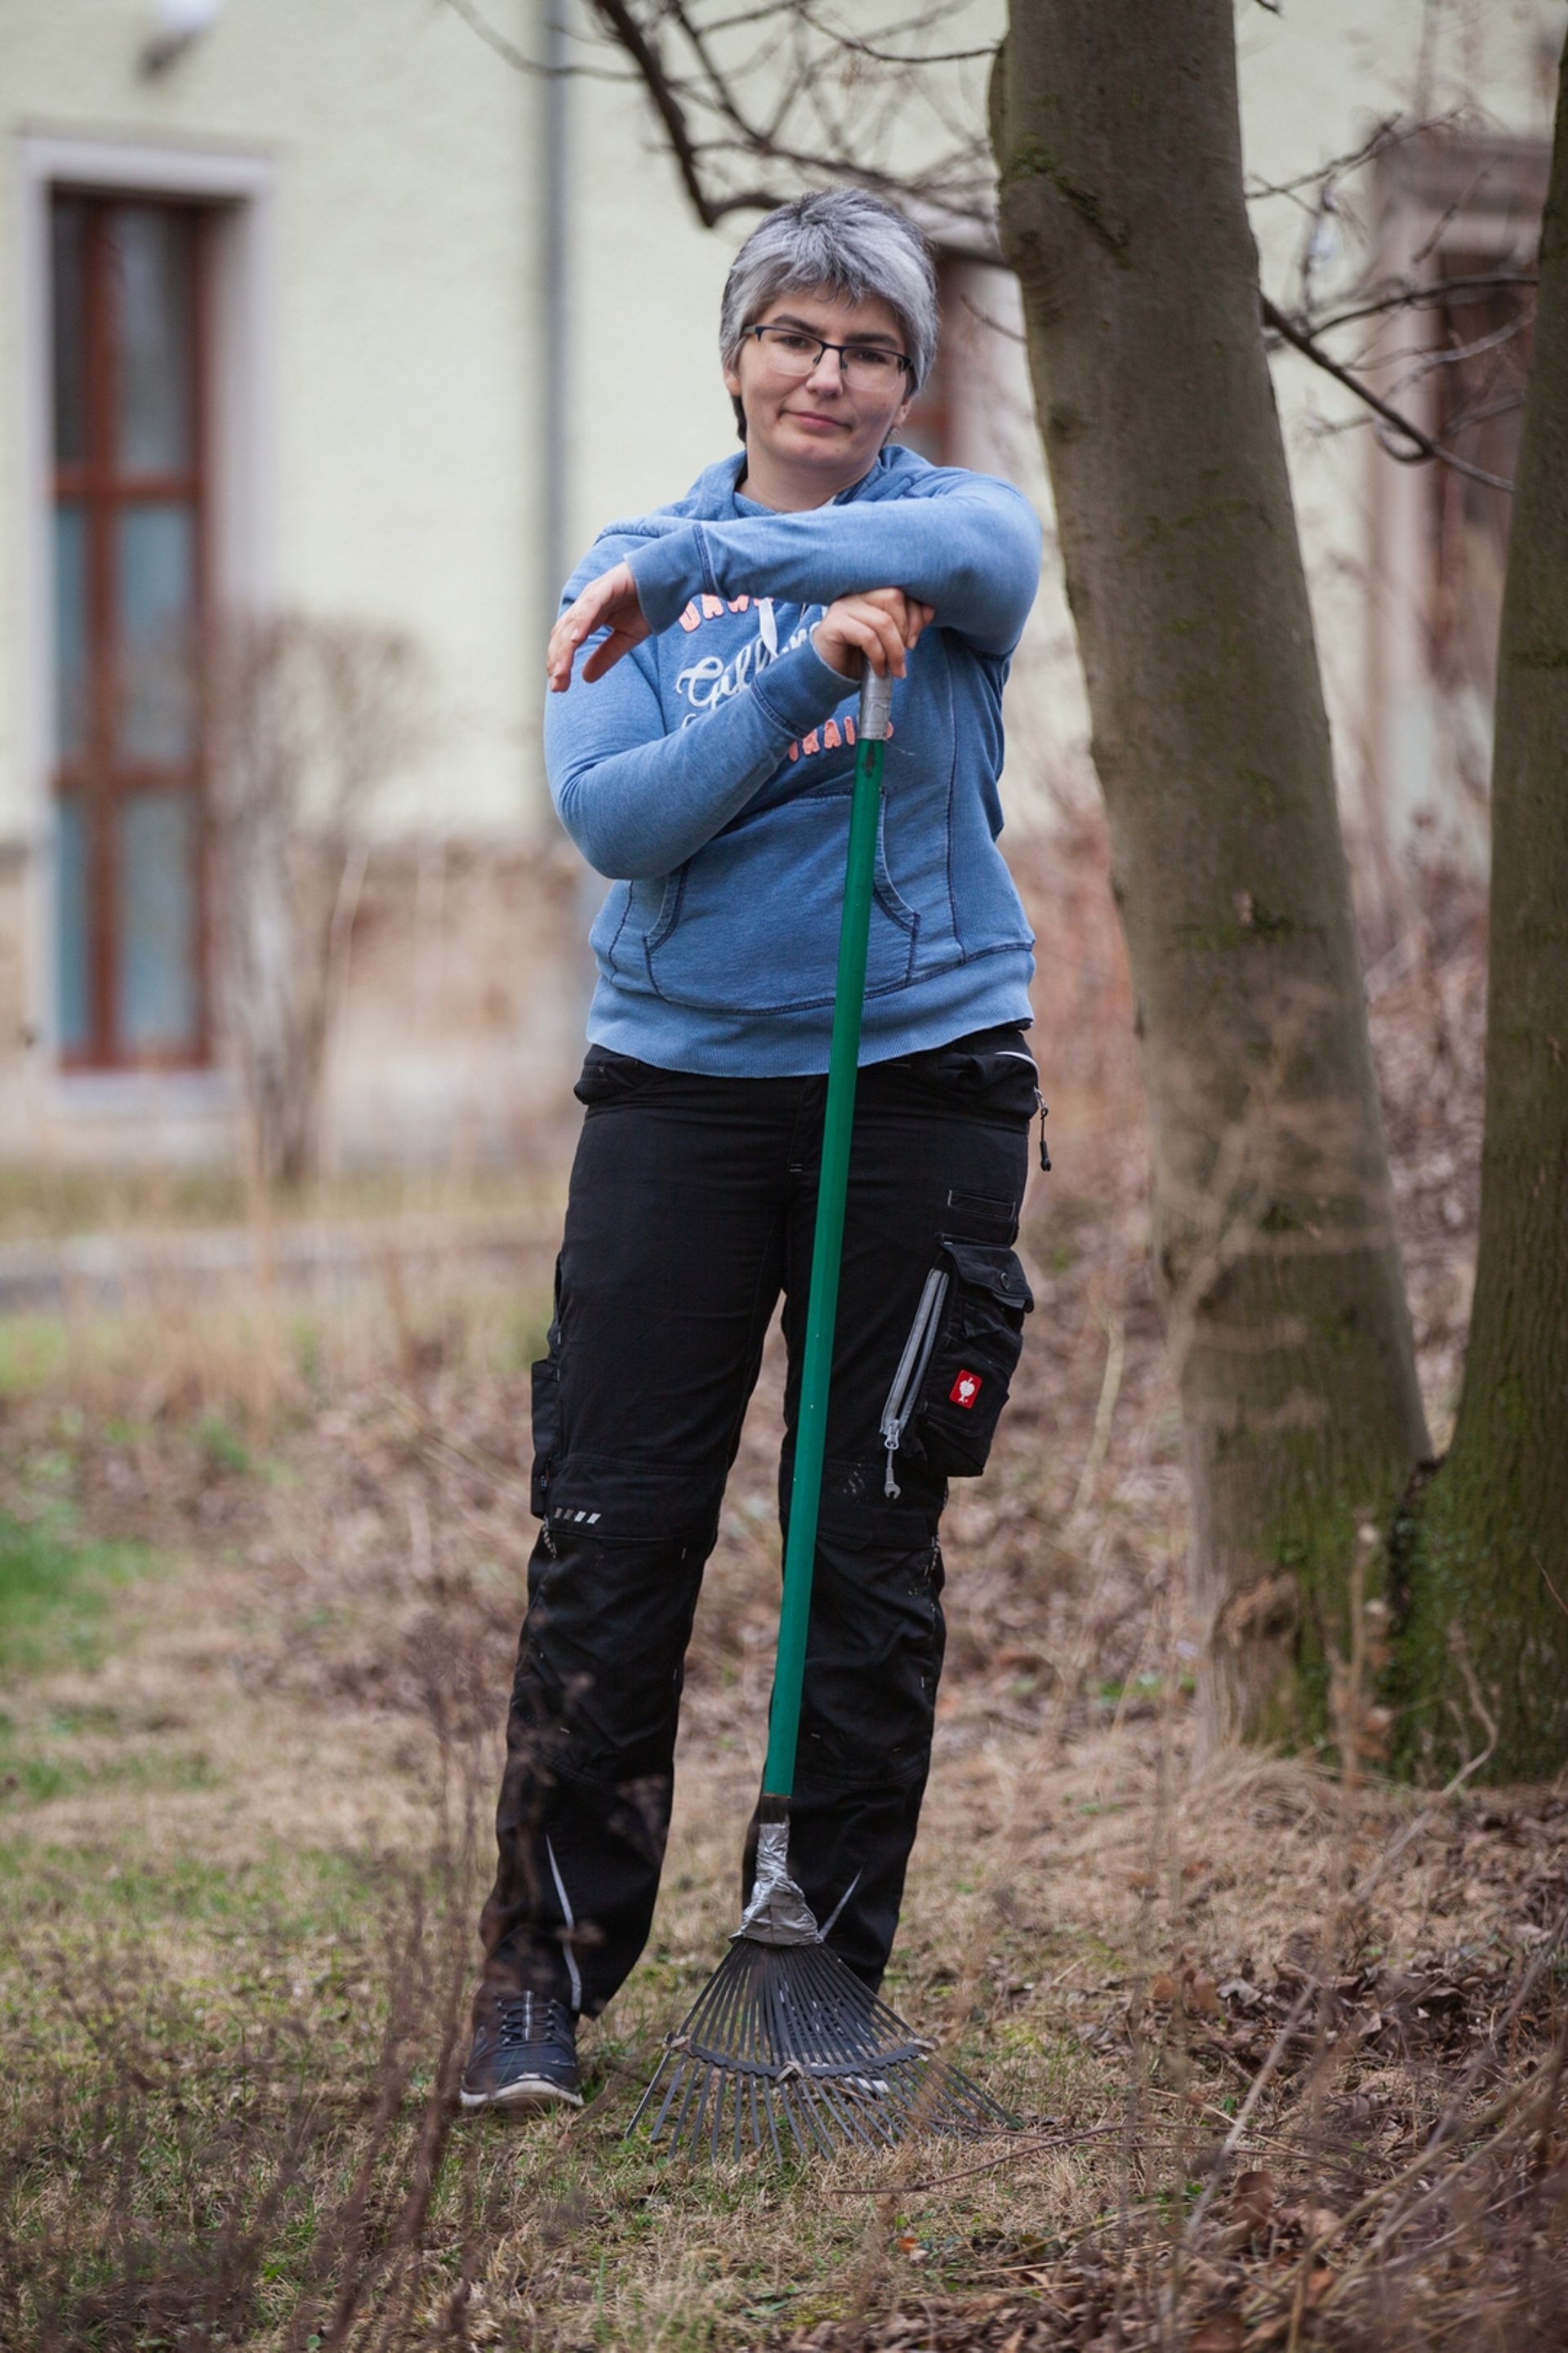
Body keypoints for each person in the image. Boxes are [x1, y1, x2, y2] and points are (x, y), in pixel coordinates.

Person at [461, 189, 1043, 2112]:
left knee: (870, 1533)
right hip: (684, 1104)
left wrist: (760, 567)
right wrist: (796, 656)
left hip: (925, 1082)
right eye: (795, 334)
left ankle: (813, 1968)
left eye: (870, 348)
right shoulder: (628, 574)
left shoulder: (956, 544)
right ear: (735, 356)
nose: (829, 372)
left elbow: (971, 540)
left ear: (906, 385)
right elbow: (620, 821)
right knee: (613, 1530)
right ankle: (539, 1981)